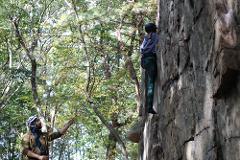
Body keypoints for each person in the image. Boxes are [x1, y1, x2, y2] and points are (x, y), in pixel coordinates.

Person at [140, 22, 159, 114]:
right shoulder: (155, 35)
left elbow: (142, 49)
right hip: (150, 59)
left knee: (149, 83)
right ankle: (149, 107)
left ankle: (148, 106)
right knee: (151, 83)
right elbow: (158, 42)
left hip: (144, 60)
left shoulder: (146, 38)